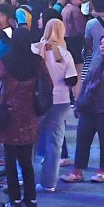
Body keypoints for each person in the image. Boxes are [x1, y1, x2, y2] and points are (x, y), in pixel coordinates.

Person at [0, 28, 46, 207]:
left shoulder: (6, 61)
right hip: (29, 116)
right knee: (27, 161)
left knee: (10, 160)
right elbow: (47, 84)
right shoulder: (37, 61)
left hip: (9, 116)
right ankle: (31, 199)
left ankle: (14, 200)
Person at [64, 33, 104, 185]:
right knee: (82, 139)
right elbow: (86, 83)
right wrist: (78, 103)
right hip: (89, 107)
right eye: (101, 43)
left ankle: (103, 171)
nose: (102, 46)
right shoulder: (98, 62)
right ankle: (77, 171)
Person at [33, 19, 79, 193]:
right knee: (55, 143)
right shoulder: (64, 54)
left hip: (37, 100)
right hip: (60, 101)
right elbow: (72, 80)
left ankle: (24, 176)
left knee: (30, 140)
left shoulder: (35, 49)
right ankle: (49, 183)